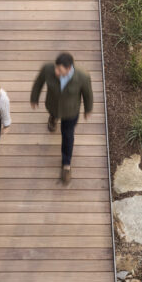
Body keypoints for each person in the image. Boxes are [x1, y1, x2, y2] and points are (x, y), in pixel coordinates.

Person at [29, 52, 93, 185]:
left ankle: (66, 164)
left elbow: (88, 94)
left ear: (69, 68)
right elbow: (38, 83)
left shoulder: (82, 76)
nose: (56, 71)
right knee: (54, 114)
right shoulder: (47, 69)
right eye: (56, 68)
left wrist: (88, 109)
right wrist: (34, 98)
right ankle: (53, 118)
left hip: (71, 112)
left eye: (60, 70)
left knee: (68, 135)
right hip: (53, 105)